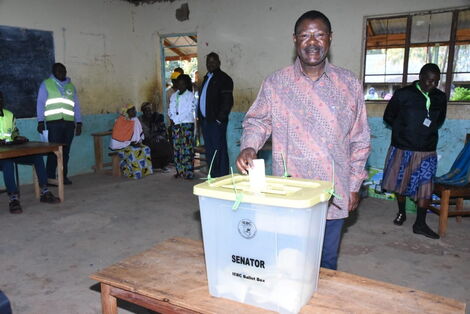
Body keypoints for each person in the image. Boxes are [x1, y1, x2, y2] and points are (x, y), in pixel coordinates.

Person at [236, 10, 370, 270]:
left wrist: (354, 184)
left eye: (319, 35)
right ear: (295, 40)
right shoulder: (276, 83)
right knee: (288, 259)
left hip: (333, 191)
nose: (312, 42)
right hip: (290, 191)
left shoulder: (349, 84)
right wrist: (250, 146)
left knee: (326, 262)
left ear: (330, 39)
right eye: (305, 35)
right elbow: (257, 120)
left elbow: (360, 138)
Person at [381, 63, 447, 239]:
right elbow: (388, 116)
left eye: (435, 82)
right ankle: (402, 212)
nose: (431, 85)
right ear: (420, 77)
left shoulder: (440, 97)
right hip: (403, 147)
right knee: (400, 185)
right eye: (428, 80)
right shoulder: (404, 94)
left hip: (427, 149)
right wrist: (404, 130)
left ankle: (420, 223)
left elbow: (439, 120)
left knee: (426, 186)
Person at [0, 91, 60, 214]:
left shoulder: (9, 115)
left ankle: (44, 191)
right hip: (2, 158)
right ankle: (13, 199)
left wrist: (18, 137)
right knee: (7, 164)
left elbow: (14, 132)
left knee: (37, 157)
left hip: (11, 152)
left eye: (0, 98)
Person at [36, 63, 82, 185]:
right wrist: (40, 121)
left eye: (63, 70)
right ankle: (49, 178)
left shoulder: (71, 87)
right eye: (58, 71)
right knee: (53, 152)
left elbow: (76, 105)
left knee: (65, 152)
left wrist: (79, 122)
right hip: (53, 124)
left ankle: (63, 176)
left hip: (68, 124)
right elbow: (40, 103)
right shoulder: (46, 84)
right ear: (53, 72)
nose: (61, 72)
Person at [198, 52, 234, 178]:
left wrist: (219, 119)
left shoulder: (224, 79)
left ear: (219, 63)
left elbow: (227, 102)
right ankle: (213, 177)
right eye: (208, 62)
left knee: (219, 151)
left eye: (213, 61)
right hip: (206, 121)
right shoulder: (207, 77)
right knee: (210, 151)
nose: (210, 64)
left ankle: (222, 178)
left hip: (216, 122)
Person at [109, 105, 153, 179]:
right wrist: (130, 143)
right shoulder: (121, 120)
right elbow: (119, 137)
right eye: (132, 110)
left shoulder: (135, 120)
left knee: (146, 149)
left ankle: (145, 171)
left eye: (135, 110)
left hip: (133, 144)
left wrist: (138, 142)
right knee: (133, 152)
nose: (135, 112)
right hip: (122, 146)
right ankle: (133, 173)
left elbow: (138, 134)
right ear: (127, 112)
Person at [168, 74, 197, 179]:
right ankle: (179, 170)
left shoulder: (190, 96)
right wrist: (172, 117)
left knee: (187, 148)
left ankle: (188, 172)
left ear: (186, 84)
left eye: (182, 84)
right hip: (176, 125)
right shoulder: (173, 95)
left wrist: (177, 119)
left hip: (186, 124)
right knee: (177, 148)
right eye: (178, 83)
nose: (180, 86)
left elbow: (189, 110)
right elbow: (170, 109)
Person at [139, 102, 172, 172]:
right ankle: (154, 165)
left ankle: (163, 165)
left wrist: (159, 136)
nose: (149, 112)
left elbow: (162, 130)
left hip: (156, 138)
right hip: (145, 139)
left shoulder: (156, 118)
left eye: (150, 110)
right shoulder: (139, 120)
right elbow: (138, 133)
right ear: (143, 111)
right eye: (146, 110)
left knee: (164, 144)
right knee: (154, 145)